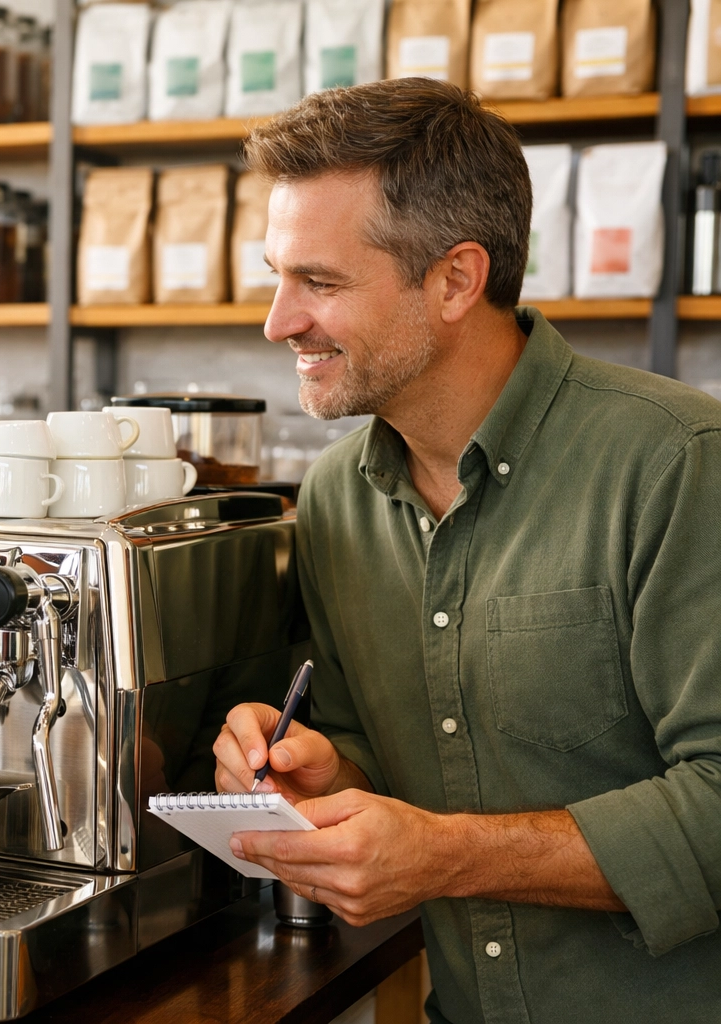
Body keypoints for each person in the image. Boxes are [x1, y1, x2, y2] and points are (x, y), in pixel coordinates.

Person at [212, 79, 721, 1023]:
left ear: (455, 279)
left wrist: (446, 854)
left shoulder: (678, 462)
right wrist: (327, 773)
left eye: (318, 283)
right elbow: (396, 756)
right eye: (277, 277)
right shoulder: (335, 500)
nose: (279, 322)